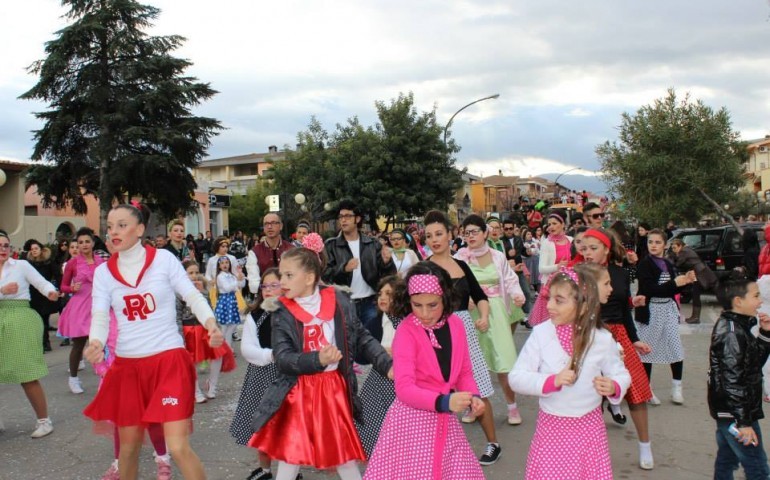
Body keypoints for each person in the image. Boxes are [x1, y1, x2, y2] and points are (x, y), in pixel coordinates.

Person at [83, 203, 224, 480]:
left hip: (168, 361)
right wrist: (96, 343)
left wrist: (210, 324)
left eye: (122, 225)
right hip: (128, 368)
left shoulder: (163, 260)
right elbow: (99, 314)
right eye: (110, 226)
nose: (114, 232)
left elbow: (192, 295)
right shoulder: (103, 273)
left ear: (139, 230)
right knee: (128, 449)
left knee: (178, 446)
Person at [248, 247, 393, 480]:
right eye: (281, 274)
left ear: (309, 277)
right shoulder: (282, 311)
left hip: (332, 390)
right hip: (297, 392)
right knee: (290, 456)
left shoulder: (337, 300)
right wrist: (318, 359)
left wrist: (387, 365)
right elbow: (283, 358)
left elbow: (362, 336)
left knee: (343, 454)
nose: (281, 281)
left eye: (288, 275)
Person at [364, 262, 486, 480]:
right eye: (417, 305)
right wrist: (444, 402)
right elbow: (404, 389)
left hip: (445, 425)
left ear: (445, 298)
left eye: (432, 305)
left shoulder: (456, 325)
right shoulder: (406, 331)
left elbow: (465, 372)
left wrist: (473, 396)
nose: (425, 313)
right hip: (411, 426)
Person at [508, 265, 631, 480]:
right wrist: (551, 381)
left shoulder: (600, 338)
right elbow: (516, 378)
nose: (549, 305)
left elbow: (621, 373)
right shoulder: (541, 333)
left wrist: (614, 386)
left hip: (589, 428)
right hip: (552, 429)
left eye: (559, 300)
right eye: (549, 298)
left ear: (583, 306)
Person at [424, 210, 501, 465]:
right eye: (429, 235)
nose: (434, 239)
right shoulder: (422, 268)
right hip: (433, 333)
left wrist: (484, 316)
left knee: (476, 389)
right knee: (435, 392)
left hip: (464, 331)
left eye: (439, 234)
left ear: (450, 234)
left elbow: (480, 296)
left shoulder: (462, 265)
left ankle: (493, 444)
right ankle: (436, 449)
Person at [579, 231, 655, 470]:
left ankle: (645, 446)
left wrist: (634, 340)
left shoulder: (621, 274)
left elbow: (624, 311)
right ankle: (592, 453)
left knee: (637, 392)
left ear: (606, 249)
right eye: (585, 248)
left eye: (593, 248)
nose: (588, 252)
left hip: (620, 334)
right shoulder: (577, 275)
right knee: (591, 396)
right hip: (590, 334)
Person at [456, 214, 526, 425]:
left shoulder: (497, 256)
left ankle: (512, 407)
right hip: (470, 314)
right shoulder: (460, 256)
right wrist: (464, 296)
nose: (470, 236)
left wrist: (517, 294)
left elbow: (509, 279)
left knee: (504, 360)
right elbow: (455, 282)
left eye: (475, 231)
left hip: (495, 310)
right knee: (471, 363)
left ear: (485, 233)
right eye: (466, 232)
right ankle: (472, 405)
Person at [709, 270, 770, 479]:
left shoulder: (739, 327)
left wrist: (765, 333)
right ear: (738, 301)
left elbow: (751, 366)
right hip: (737, 413)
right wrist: (744, 423)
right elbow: (732, 381)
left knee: (727, 460)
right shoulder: (733, 333)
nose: (760, 301)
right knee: (758, 466)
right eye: (755, 296)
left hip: (733, 411)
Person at [0, 230, 59, 438]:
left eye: (6, 245)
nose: (3, 249)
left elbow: (41, 282)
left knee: (26, 372)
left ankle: (44, 421)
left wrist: (50, 291)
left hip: (19, 317)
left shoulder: (21, 265)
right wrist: (2, 291)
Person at [230, 268, 283, 480]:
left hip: (289, 377)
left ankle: (290, 470)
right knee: (263, 429)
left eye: (274, 285)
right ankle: (265, 469)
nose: (269, 290)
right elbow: (247, 349)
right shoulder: (256, 314)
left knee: (288, 427)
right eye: (265, 286)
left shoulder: (293, 312)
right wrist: (272, 355)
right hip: (261, 377)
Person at [635, 229, 696, 405]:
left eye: (657, 242)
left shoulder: (668, 263)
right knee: (647, 349)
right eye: (650, 242)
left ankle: (677, 388)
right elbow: (648, 290)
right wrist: (674, 284)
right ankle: (647, 389)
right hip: (650, 310)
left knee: (675, 348)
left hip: (668, 310)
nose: (653, 245)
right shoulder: (645, 264)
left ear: (665, 245)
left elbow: (672, 290)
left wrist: (685, 281)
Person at [323, 200, 395, 342]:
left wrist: (387, 262)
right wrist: (344, 269)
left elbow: (388, 276)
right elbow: (325, 275)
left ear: (357, 219)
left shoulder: (372, 244)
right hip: (344, 303)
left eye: (348, 216)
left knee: (373, 342)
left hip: (370, 302)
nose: (343, 220)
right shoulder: (331, 245)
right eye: (341, 216)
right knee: (347, 343)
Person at [58, 228, 114, 394]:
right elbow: (63, 286)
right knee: (79, 344)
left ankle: (105, 377)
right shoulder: (72, 263)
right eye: (80, 242)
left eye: (87, 241)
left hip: (100, 304)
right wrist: (71, 288)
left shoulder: (101, 261)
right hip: (80, 305)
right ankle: (73, 378)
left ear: (93, 243)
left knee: (102, 343)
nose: (84, 245)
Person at [356, 275, 403, 458]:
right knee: (369, 427)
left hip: (403, 384)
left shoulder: (410, 322)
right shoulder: (375, 322)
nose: (382, 298)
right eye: (381, 293)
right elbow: (360, 356)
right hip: (378, 382)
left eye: (389, 294)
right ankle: (380, 466)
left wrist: (398, 354)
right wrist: (375, 352)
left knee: (400, 435)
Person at [178, 260, 235, 404]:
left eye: (197, 272)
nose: (195, 276)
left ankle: (212, 385)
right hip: (189, 329)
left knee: (218, 354)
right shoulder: (177, 291)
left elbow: (208, 308)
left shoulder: (203, 287)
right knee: (192, 361)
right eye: (190, 273)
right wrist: (180, 337)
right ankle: (195, 390)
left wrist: (202, 291)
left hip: (204, 327)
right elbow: (177, 315)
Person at [528, 211, 573, 327]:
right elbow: (541, 269)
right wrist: (558, 266)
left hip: (569, 285)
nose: (551, 227)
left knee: (567, 320)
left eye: (554, 223)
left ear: (562, 224)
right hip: (551, 287)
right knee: (549, 324)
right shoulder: (547, 243)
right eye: (549, 224)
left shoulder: (571, 240)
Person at [670, 238, 718, 324]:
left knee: (697, 293)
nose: (674, 250)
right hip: (699, 272)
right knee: (696, 293)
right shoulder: (686, 250)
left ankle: (695, 317)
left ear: (680, 246)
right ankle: (695, 317)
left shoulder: (684, 251)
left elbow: (678, 264)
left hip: (700, 273)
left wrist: (672, 258)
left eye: (675, 248)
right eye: (672, 248)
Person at [24, 239, 60, 352]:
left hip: (45, 294)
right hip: (33, 295)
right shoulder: (28, 264)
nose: (34, 251)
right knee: (36, 320)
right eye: (32, 249)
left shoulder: (48, 262)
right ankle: (41, 342)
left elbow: (58, 275)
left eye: (36, 248)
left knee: (43, 319)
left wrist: (59, 288)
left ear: (41, 249)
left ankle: (45, 343)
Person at [245, 213, 294, 296]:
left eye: (273, 223)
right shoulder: (254, 252)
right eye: (266, 224)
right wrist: (269, 290)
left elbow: (296, 277)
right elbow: (253, 284)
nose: (269, 227)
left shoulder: (292, 250)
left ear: (281, 226)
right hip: (264, 300)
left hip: (289, 298)